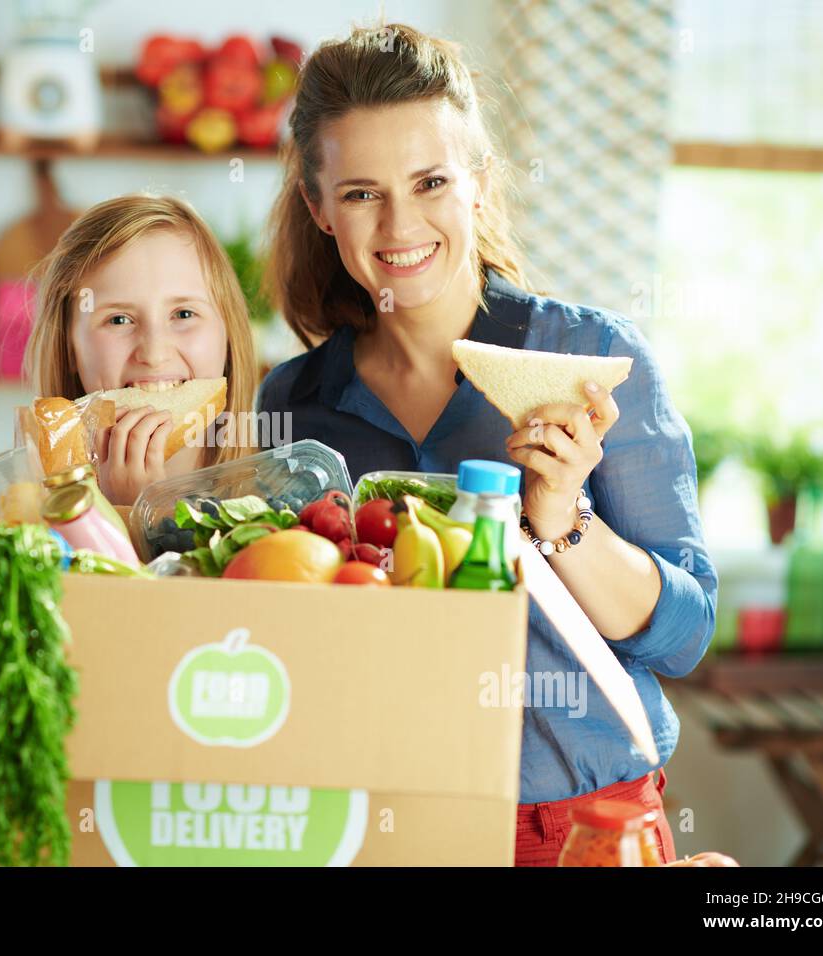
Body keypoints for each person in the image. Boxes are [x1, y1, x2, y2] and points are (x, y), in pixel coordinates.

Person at [258, 23, 717, 865]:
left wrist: (563, 518)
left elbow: (683, 637)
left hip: (582, 821)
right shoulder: (293, 405)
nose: (400, 223)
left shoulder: (589, 365)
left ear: (478, 183)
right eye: (361, 193)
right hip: (377, 822)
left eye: (430, 180)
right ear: (320, 208)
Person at [25, 194, 260, 504]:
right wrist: (126, 511)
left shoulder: (282, 498)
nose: (153, 353)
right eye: (119, 319)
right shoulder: (10, 500)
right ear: (69, 349)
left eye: (183, 314)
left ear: (228, 334)